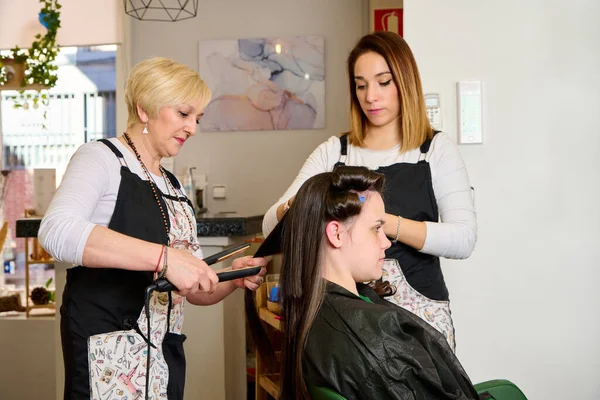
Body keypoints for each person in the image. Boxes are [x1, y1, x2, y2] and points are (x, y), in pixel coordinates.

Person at [39, 57, 267, 400]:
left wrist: (230, 280)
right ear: (145, 109)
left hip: (163, 353)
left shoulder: (172, 184)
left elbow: (190, 288)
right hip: (110, 353)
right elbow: (56, 230)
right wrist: (164, 257)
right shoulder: (100, 158)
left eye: (198, 118)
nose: (193, 128)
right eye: (183, 114)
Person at [262, 31, 476, 351]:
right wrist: (302, 202)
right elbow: (271, 224)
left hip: (422, 313)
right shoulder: (335, 152)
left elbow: (463, 239)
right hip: (349, 315)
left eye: (383, 82)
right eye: (361, 85)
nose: (370, 96)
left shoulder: (435, 150)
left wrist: (378, 221)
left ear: (405, 82)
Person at [275, 166, 479, 400]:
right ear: (337, 234)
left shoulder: (306, 309)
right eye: (376, 228)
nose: (387, 242)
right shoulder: (377, 336)